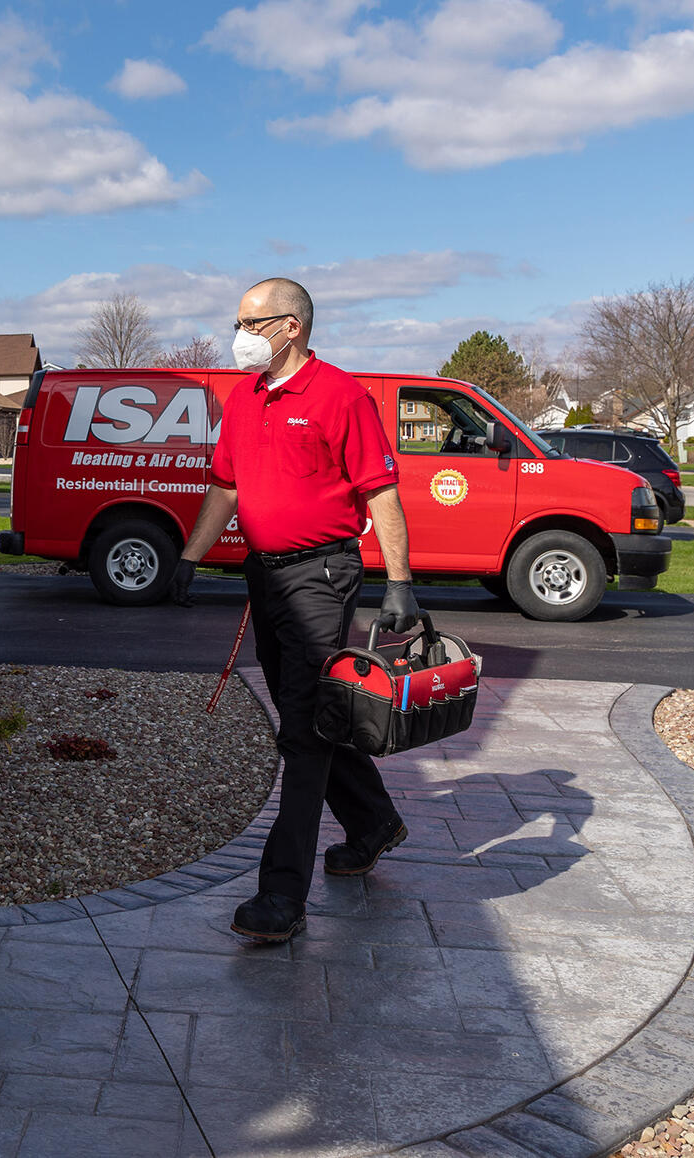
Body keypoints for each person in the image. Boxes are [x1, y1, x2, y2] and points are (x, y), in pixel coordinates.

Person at [170, 277, 420, 945]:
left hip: (323, 575)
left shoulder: (341, 396)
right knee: (307, 712)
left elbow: (382, 494)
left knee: (304, 735)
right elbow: (224, 488)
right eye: (239, 322)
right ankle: (371, 823)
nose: (241, 335)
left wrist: (399, 582)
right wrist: (191, 557)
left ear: (292, 328)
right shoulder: (245, 398)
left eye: (253, 323)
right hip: (266, 576)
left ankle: (282, 895)